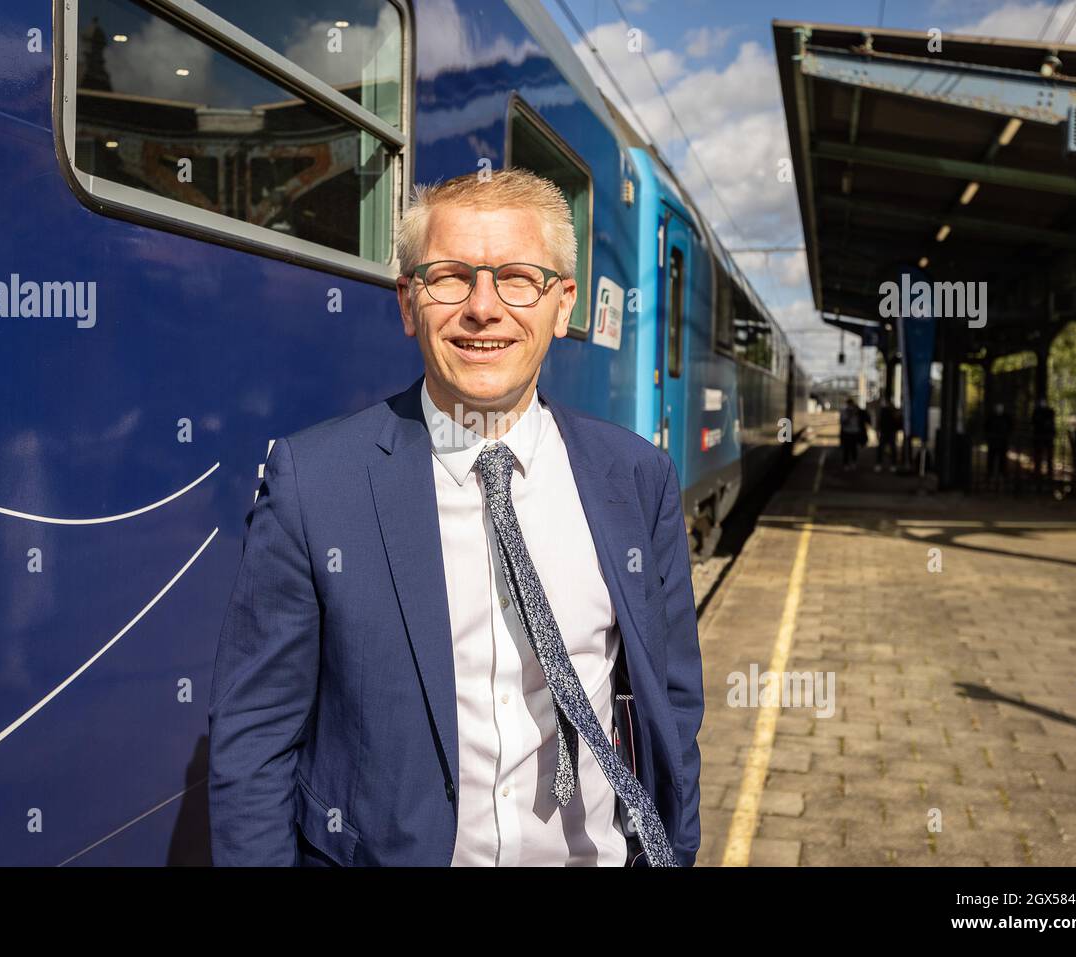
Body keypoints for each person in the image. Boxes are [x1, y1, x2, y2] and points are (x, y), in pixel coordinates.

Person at [207, 168, 704, 867]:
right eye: (447, 277)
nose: (483, 307)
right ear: (409, 304)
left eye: (518, 278)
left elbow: (672, 700)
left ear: (562, 305)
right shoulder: (314, 484)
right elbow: (255, 736)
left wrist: (675, 849)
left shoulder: (637, 478)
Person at [986, 402, 1013, 488]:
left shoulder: (1006, 418)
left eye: (1000, 407)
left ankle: (1002, 476)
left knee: (1002, 460)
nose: (999, 409)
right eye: (998, 407)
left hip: (1002, 442)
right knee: (991, 459)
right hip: (993, 442)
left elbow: (1010, 428)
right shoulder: (991, 417)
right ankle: (990, 476)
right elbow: (986, 427)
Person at [839, 397, 869, 470]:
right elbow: (842, 422)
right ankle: (846, 464)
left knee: (854, 449)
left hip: (855, 433)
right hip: (846, 433)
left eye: (851, 405)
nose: (851, 407)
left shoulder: (858, 411)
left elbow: (865, 418)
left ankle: (853, 462)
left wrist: (858, 411)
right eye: (849, 405)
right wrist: (850, 415)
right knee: (846, 449)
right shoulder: (844, 411)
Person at [1032, 399, 1056, 483]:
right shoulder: (1036, 412)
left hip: (1048, 437)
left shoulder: (1050, 412)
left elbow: (1052, 424)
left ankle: (1049, 473)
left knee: (1049, 456)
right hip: (1039, 437)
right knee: (1038, 455)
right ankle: (1037, 473)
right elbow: (1034, 422)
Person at [874, 399, 900, 472]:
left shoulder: (893, 410)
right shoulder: (883, 411)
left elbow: (897, 420)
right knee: (881, 448)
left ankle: (893, 465)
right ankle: (878, 464)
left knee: (892, 449)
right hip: (884, 432)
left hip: (891, 432)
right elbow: (878, 421)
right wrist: (877, 431)